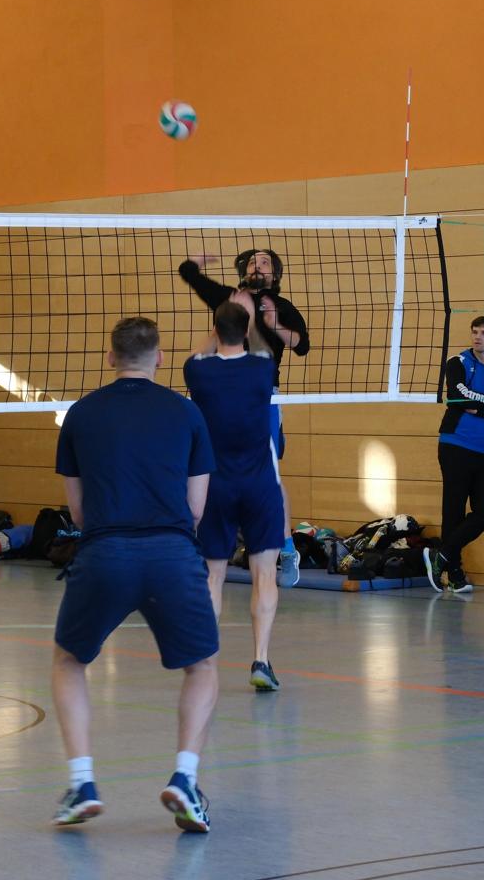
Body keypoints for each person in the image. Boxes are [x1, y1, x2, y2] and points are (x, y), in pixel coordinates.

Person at [50, 317, 220, 833]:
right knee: (202, 667)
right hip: (172, 554)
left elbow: (77, 512)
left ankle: (82, 783)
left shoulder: (81, 414)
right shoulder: (187, 413)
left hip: (104, 553)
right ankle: (185, 778)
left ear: (111, 357)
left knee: (68, 661)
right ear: (160, 358)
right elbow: (196, 509)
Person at [178, 247, 310, 586]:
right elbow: (188, 273)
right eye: (252, 262)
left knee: (269, 471)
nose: (258, 266)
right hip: (218, 396)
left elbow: (302, 345)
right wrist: (198, 262)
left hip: (261, 397)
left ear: (275, 274)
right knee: (207, 467)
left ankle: (287, 549)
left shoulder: (282, 307)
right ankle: (198, 545)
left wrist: (273, 324)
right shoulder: (229, 299)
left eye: (265, 263)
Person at [185, 296, 286, 692]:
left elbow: (202, 351)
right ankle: (261, 659)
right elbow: (260, 348)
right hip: (259, 485)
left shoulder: (197, 371)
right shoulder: (263, 368)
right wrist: (252, 316)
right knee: (265, 573)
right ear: (245, 330)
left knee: (214, 574)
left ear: (215, 329)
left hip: (216, 485)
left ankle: (206, 662)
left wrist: (223, 318)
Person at [426, 316, 484, 594]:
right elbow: (456, 397)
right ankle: (455, 574)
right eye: (475, 332)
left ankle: (442, 554)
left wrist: (478, 405)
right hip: (455, 444)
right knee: (453, 510)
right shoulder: (458, 362)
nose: (478, 337)